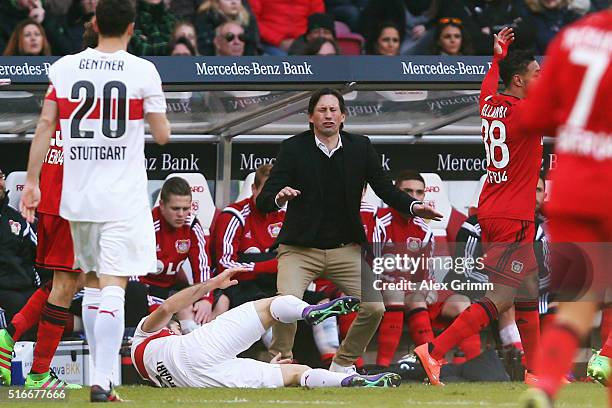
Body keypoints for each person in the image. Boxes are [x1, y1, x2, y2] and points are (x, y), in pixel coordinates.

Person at [19, 0, 171, 401]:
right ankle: (104, 381)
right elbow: (162, 135)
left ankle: (95, 377)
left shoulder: (65, 68)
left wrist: (32, 182)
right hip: (121, 197)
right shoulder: (143, 71)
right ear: (132, 28)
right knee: (112, 287)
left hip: (77, 197)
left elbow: (45, 125)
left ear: (97, 22)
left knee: (85, 282)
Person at [255, 87, 442, 374]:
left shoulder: (361, 147)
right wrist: (280, 197)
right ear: (310, 117)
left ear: (343, 116)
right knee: (285, 305)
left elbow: (386, 189)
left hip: (345, 249)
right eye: (321, 110)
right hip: (299, 250)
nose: (327, 115)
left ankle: (342, 364)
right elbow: (264, 200)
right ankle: (280, 362)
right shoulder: (292, 148)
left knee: (375, 307)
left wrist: (415, 208)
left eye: (333, 110)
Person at [414, 27, 544, 386]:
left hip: (493, 208)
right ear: (519, 80)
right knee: (501, 297)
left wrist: (498, 57)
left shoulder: (490, 104)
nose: (542, 79)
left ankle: (536, 372)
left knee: (529, 286)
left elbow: (489, 83)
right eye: (537, 74)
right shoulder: (526, 114)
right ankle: (434, 351)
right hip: (512, 216)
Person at [514, 8, 612, 407]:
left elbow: (532, 116)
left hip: (571, 190)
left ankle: (546, 384)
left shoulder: (572, 37)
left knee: (576, 303)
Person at [131, 267, 402, 388]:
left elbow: (209, 363)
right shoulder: (145, 334)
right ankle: (308, 311)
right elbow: (167, 308)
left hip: (200, 381)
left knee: (295, 374)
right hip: (198, 352)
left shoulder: (150, 371)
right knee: (271, 306)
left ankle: (346, 381)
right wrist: (211, 285)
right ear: (173, 330)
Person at [374, 170, 480, 367]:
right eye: (407, 191)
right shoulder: (379, 222)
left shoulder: (425, 230)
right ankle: (386, 365)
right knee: (406, 296)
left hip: (412, 293)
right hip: (383, 293)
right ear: (394, 193)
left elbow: (427, 273)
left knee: (463, 303)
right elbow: (371, 267)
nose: (413, 197)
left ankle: (477, 365)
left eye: (419, 192)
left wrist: (428, 288)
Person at [139, 177, 217, 334]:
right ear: (161, 205)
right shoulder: (146, 225)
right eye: (175, 209)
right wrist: (160, 312)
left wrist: (205, 298)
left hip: (171, 289)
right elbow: (132, 278)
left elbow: (202, 266)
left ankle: (198, 349)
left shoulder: (192, 224)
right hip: (146, 293)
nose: (182, 214)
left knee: (192, 309)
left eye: (186, 208)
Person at [0, 167, 39, 344]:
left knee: (43, 303)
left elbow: (34, 255)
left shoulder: (16, 219)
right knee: (18, 307)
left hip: (24, 287)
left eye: (0, 177)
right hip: (5, 291)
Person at [249, 0, 325, 55]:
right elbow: (252, 21)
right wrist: (279, 41)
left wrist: (300, 41)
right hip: (269, 43)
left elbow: (317, 21)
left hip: (304, 42)